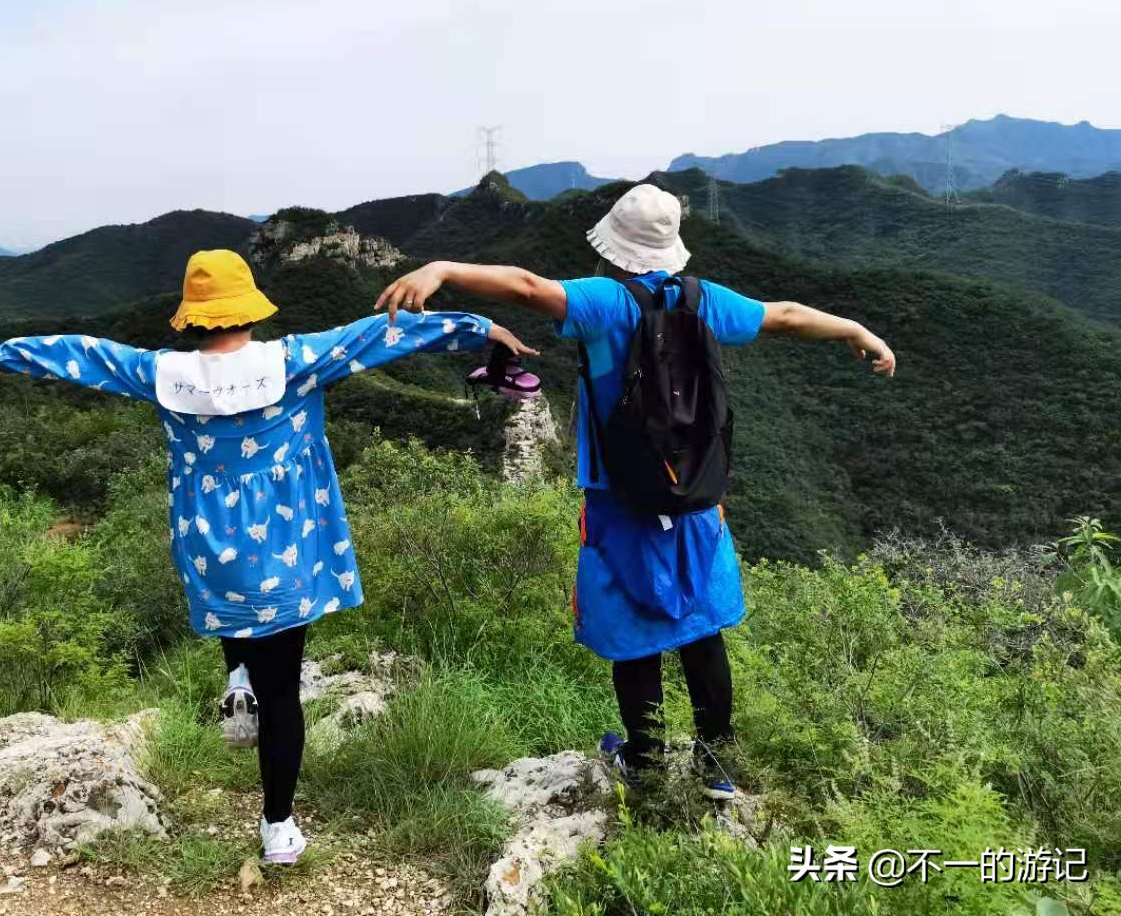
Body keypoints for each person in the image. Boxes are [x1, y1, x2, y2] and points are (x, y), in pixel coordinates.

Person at [0, 248, 533, 863]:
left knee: (236, 610)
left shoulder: (161, 374)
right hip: (284, 543)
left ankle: (236, 679)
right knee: (283, 689)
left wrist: (9, 352)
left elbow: (88, 354)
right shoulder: (294, 363)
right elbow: (381, 336)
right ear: (250, 310)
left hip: (207, 540)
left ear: (194, 318)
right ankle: (278, 825)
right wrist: (481, 329)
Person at [374, 182, 895, 798]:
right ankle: (716, 768)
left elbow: (528, 287)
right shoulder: (705, 301)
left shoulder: (606, 302)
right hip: (697, 497)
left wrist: (444, 268)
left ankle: (644, 764)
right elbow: (783, 314)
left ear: (614, 247)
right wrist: (856, 330)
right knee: (702, 633)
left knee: (634, 635)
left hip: (619, 499)